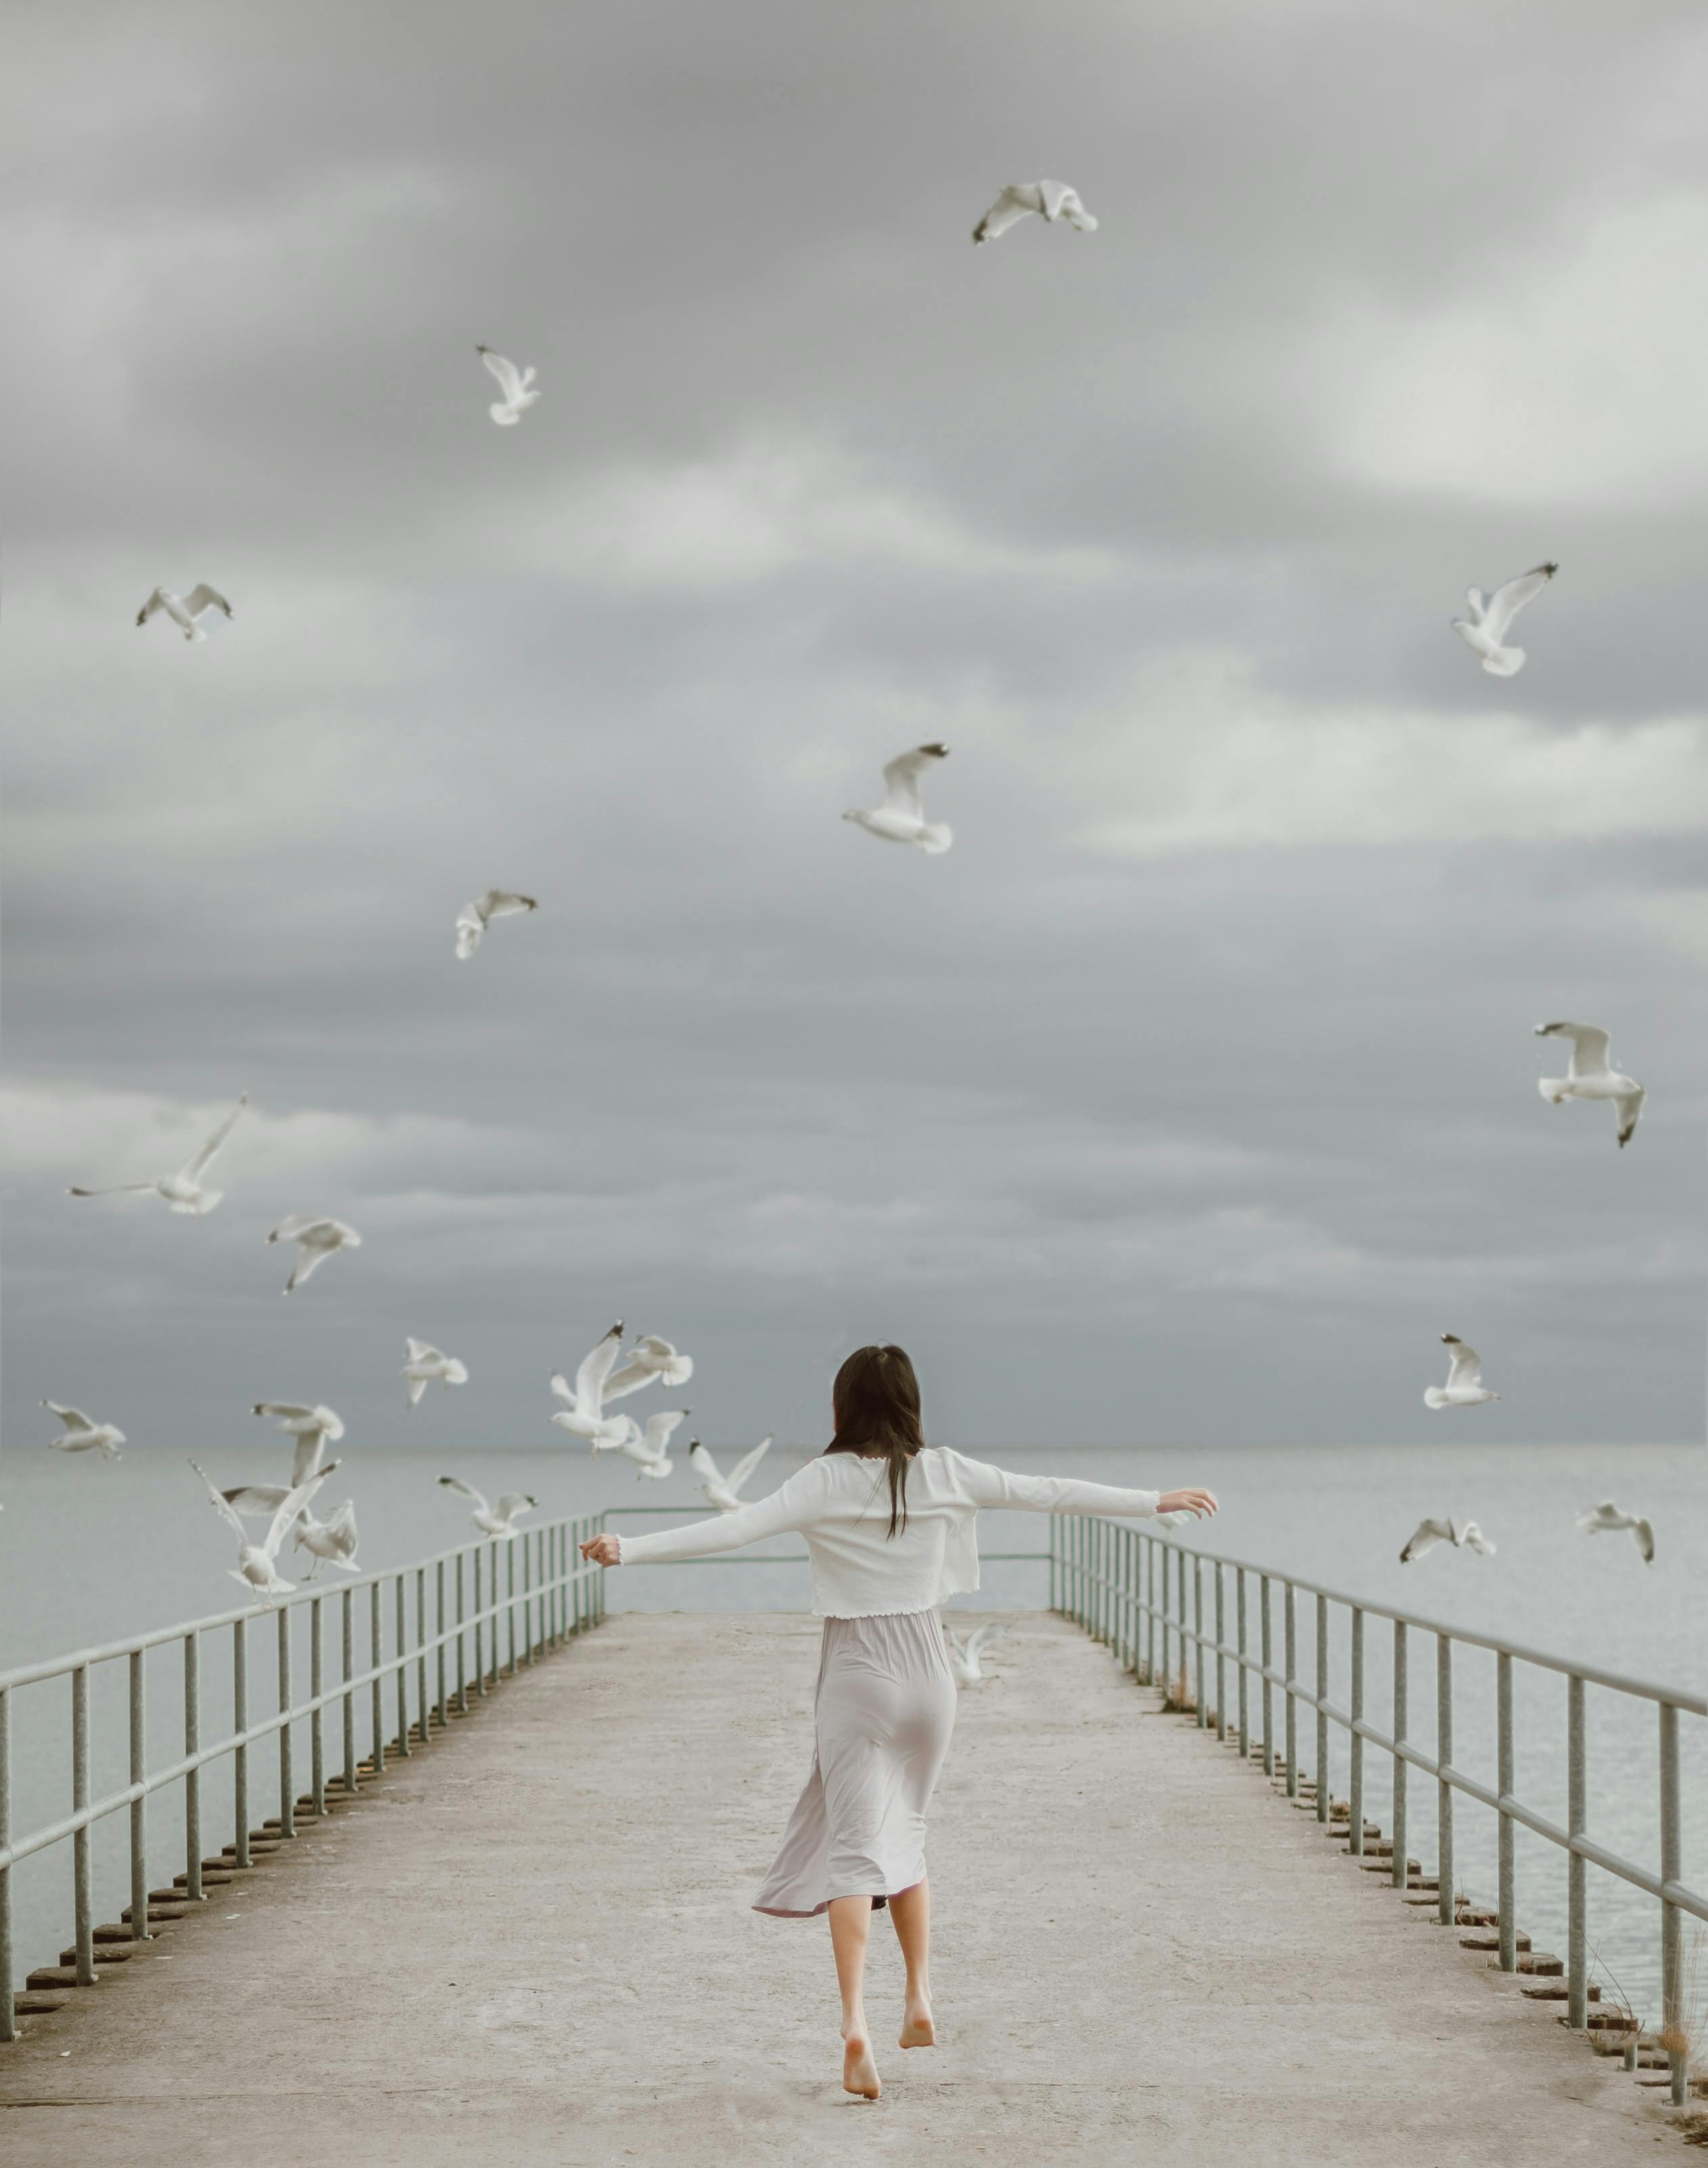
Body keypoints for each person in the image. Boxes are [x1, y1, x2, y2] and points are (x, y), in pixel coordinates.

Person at [579, 1342, 1217, 2101]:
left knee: (853, 1852)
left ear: (842, 1406)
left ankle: (855, 2024)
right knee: (907, 1830)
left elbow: (735, 1528)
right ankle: (918, 1996)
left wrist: (630, 1547)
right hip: (930, 1669)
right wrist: (1156, 1499)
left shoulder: (824, 1478)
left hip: (858, 1670)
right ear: (913, 1402)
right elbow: (1046, 1490)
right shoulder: (946, 1470)